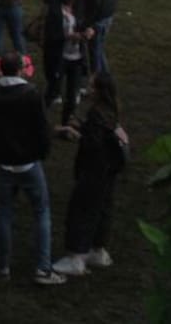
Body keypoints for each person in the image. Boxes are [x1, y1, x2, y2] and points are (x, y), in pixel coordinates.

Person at [0, 52, 65, 286]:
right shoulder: (31, 95)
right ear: (19, 70)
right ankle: (43, 268)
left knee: (4, 213)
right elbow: (41, 128)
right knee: (41, 212)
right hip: (29, 162)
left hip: (4, 162)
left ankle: (3, 265)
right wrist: (43, 152)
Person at [50, 73, 130, 277]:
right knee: (103, 209)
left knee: (81, 211)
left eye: (92, 87)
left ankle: (76, 256)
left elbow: (93, 144)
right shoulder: (113, 111)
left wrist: (77, 133)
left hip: (93, 171)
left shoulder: (96, 114)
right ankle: (98, 250)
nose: (88, 90)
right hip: (108, 171)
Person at [40, 0, 89, 108]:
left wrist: (42, 19)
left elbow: (47, 2)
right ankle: (75, 89)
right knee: (77, 55)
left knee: (55, 58)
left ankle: (55, 91)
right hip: (77, 19)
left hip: (57, 21)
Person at [57, 0, 91, 128]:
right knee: (52, 92)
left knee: (72, 95)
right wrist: (72, 36)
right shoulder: (57, 10)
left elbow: (84, 26)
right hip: (59, 57)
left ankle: (67, 122)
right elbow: (53, 34)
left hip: (76, 57)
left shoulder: (80, 8)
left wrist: (89, 31)